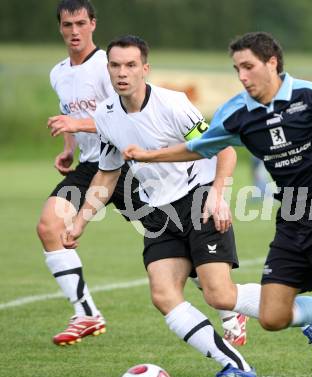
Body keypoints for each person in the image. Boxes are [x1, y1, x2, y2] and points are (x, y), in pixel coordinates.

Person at [123, 32, 312, 377]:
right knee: (272, 317)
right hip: (290, 218)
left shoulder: (310, 96)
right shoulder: (238, 113)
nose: (242, 76)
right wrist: (148, 156)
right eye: (237, 68)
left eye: (248, 67)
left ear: (272, 64)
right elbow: (198, 147)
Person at [37, 0, 247, 348]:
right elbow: (94, 120)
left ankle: (230, 308)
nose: (74, 31)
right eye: (66, 25)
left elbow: (125, 118)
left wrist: (217, 191)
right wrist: (69, 148)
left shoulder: (112, 67)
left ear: (92, 24)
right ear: (59, 28)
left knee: (184, 245)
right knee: (49, 226)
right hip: (99, 166)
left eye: (80, 23)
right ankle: (85, 311)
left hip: (137, 168)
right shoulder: (58, 73)